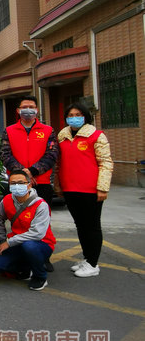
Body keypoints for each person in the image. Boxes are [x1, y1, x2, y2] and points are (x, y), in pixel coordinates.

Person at [57, 102, 113, 278]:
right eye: (71, 115)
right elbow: (59, 165)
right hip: (70, 189)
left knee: (92, 226)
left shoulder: (97, 136)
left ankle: (93, 263)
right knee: (80, 226)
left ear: (85, 116)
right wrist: (58, 187)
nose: (74, 117)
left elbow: (106, 162)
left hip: (90, 190)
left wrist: (102, 188)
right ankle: (87, 258)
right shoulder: (62, 136)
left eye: (78, 114)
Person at [0, 170, 56, 291]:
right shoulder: (6, 200)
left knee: (29, 246)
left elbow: (37, 234)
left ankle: (40, 276)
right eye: (13, 183)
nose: (16, 186)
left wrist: (9, 243)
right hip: (18, 243)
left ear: (29, 184)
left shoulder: (41, 205)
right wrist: (2, 240)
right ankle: (26, 269)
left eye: (20, 183)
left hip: (41, 243)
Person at [1, 96, 58, 206]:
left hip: (41, 182)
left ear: (37, 109)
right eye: (24, 107)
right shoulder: (8, 131)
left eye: (31, 107)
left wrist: (33, 171)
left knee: (41, 218)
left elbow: (52, 154)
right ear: (18, 110)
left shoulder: (48, 130)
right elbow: (5, 155)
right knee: (17, 218)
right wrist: (23, 174)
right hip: (16, 183)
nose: (28, 109)